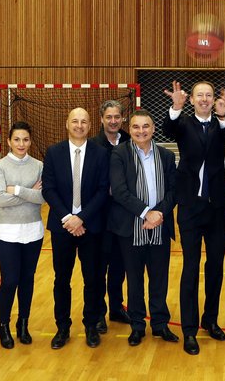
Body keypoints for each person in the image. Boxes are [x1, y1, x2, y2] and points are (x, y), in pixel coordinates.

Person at [162, 81, 225, 355]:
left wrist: (224, 114)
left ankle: (211, 320)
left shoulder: (220, 124)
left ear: (213, 99)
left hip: (216, 208)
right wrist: (175, 107)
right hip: (190, 208)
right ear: (191, 100)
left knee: (215, 266)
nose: (204, 99)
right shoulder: (182, 123)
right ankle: (189, 330)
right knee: (191, 268)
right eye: (199, 96)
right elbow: (168, 128)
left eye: (208, 95)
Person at [108, 109, 179, 347]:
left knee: (159, 279)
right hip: (131, 228)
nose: (141, 131)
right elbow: (119, 190)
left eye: (146, 126)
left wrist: (158, 214)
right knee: (135, 279)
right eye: (136, 127)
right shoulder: (119, 154)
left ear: (153, 128)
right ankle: (138, 325)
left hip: (159, 226)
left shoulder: (166, 156)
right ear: (131, 129)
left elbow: (173, 190)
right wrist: (146, 212)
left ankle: (160, 324)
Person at [42, 108, 109, 349]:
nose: (79, 125)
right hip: (63, 228)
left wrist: (81, 218)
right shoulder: (53, 152)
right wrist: (69, 218)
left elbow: (103, 190)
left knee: (93, 279)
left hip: (91, 227)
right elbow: (48, 189)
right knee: (62, 279)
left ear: (90, 125)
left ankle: (91, 325)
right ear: (66, 124)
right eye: (75, 121)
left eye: (84, 121)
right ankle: (62, 327)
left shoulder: (101, 154)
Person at [0, 121, 45, 349]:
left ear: (30, 141)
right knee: (10, 280)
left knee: (27, 280)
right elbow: (0, 199)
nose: (21, 144)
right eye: (16, 139)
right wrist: (31, 191)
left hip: (33, 230)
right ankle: (4, 326)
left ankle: (23, 324)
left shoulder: (39, 166)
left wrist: (18, 190)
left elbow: (44, 198)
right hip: (7, 232)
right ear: (9, 142)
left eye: (25, 139)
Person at [90, 99, 132, 332]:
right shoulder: (93, 145)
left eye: (117, 117)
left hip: (125, 216)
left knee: (119, 266)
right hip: (101, 218)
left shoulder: (131, 140)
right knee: (99, 268)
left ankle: (117, 307)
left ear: (122, 118)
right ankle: (98, 313)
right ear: (102, 119)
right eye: (109, 117)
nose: (114, 121)